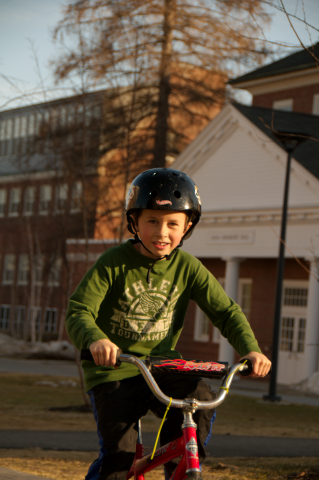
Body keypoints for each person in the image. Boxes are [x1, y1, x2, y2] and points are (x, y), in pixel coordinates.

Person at [65, 168, 271, 480]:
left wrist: (251, 350)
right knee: (118, 458)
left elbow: (226, 312)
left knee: (198, 402)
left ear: (187, 226)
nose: (162, 232)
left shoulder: (188, 267)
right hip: (115, 369)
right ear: (134, 221)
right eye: (152, 221)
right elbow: (79, 310)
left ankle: (184, 467)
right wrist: (96, 340)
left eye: (173, 223)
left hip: (161, 367)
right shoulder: (113, 262)